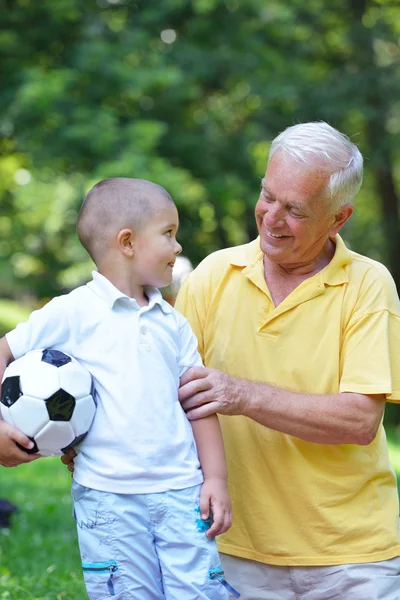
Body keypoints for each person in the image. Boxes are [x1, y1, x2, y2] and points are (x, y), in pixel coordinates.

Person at [176, 122, 400, 600]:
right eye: (267, 195)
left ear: (339, 218)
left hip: (351, 559)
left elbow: (360, 419)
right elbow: (161, 388)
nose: (271, 218)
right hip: (231, 548)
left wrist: (241, 394)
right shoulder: (214, 274)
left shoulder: (368, 285)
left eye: (294, 209)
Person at [0, 178, 238, 600]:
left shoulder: (173, 323)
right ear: (127, 242)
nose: (177, 247)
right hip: (107, 500)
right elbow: (4, 351)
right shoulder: (73, 311)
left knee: (201, 593)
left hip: (182, 493)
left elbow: (199, 405)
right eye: (168, 234)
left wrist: (215, 478)